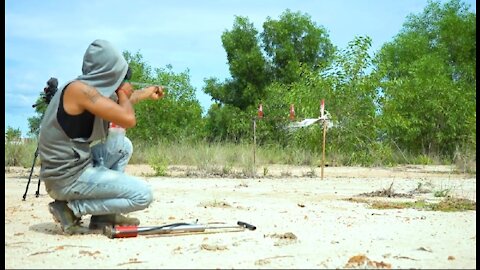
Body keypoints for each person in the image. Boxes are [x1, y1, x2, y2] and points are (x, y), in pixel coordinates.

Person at [38, 39, 165, 235]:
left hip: (73, 167)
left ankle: (104, 217)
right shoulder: (79, 90)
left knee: (124, 146)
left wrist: (146, 93)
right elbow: (127, 118)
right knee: (143, 195)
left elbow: (119, 101)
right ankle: (71, 210)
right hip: (66, 179)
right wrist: (122, 92)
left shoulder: (85, 91)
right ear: (108, 71)